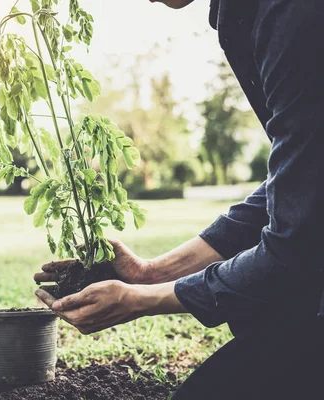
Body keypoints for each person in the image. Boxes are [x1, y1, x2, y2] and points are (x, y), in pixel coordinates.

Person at [34, 0, 324, 398]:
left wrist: (141, 299)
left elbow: (295, 251)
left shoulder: (292, 14)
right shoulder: (247, 14)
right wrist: (151, 272)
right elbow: (303, 188)